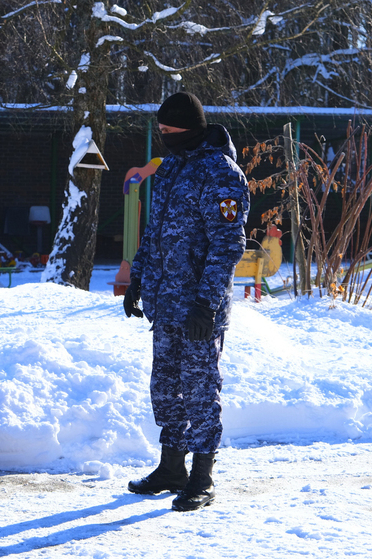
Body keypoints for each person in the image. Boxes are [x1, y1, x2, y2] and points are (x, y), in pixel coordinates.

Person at [124, 92, 249, 511]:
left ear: (189, 129)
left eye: (168, 131)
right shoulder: (172, 167)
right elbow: (155, 233)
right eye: (158, 131)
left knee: (199, 390)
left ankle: (202, 476)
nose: (162, 138)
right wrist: (137, 278)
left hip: (198, 309)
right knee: (166, 389)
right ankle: (171, 467)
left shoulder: (221, 173)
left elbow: (229, 244)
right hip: (165, 304)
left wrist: (206, 304)